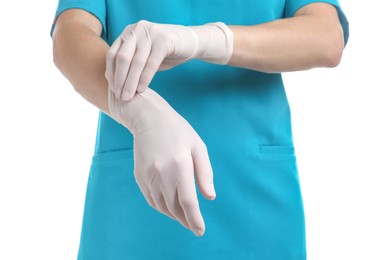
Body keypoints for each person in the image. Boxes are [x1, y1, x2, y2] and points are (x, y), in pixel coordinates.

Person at [51, 0, 349, 259]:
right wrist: (139, 111)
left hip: (254, 201)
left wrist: (206, 40)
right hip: (133, 204)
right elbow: (71, 36)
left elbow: (325, 36)